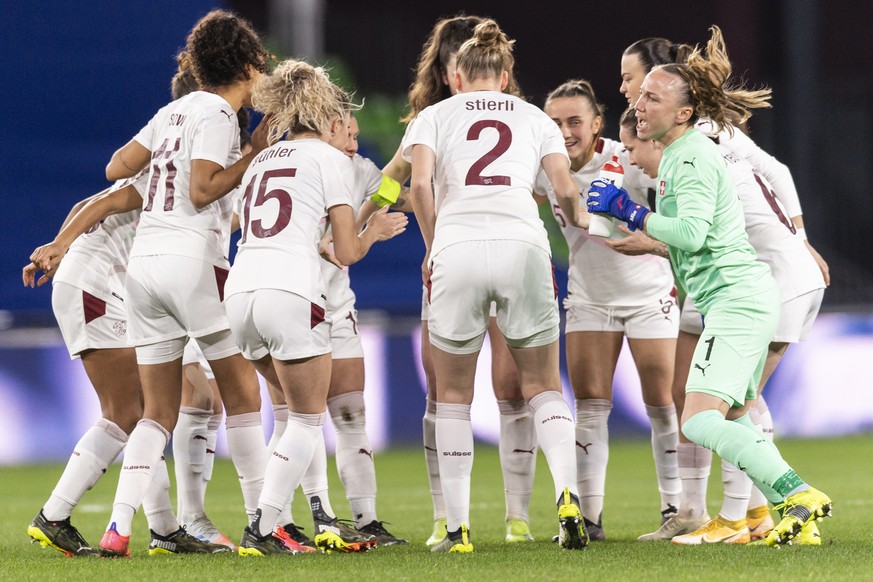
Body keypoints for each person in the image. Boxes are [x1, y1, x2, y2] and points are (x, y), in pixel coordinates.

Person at [587, 26, 832, 548]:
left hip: (738, 303)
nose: (639, 103)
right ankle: (793, 514)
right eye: (641, 92)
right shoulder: (683, 154)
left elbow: (692, 234)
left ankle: (797, 491)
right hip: (742, 297)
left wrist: (631, 212)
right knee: (739, 416)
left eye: (652, 95)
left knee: (699, 421)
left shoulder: (690, 155)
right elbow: (696, 240)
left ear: (681, 113)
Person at [88, 10, 273, 557]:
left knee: (157, 412)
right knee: (243, 392)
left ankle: (120, 527)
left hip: (143, 266)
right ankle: (265, 525)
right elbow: (202, 189)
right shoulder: (219, 110)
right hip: (193, 262)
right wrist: (254, 153)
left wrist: (160, 166)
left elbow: (116, 166)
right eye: (259, 62)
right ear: (244, 63)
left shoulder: (172, 111)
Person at [404, 19, 588, 553]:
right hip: (523, 247)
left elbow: (418, 185)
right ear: (505, 76)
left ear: (457, 74)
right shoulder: (535, 118)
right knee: (543, 387)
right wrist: (578, 218)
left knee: (454, 395)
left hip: (456, 248)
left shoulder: (433, 115)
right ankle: (567, 495)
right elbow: (563, 188)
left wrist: (434, 245)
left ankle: (457, 528)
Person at [226, 59, 406, 556]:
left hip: (241, 293)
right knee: (307, 421)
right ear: (327, 118)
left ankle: (288, 523)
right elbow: (345, 251)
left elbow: (243, 220)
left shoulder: (263, 157)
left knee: (285, 415)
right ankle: (261, 528)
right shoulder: (332, 162)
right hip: (291, 291)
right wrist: (371, 232)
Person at [377, 13, 538, 546]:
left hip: (472, 252)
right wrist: (362, 218)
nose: (456, 74)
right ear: (444, 71)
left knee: (511, 385)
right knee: (441, 390)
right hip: (451, 259)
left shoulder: (506, 116)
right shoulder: (429, 121)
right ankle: (445, 514)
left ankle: (518, 516)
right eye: (450, 64)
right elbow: (393, 181)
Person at [23, 177, 224, 557]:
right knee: (127, 413)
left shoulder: (155, 170)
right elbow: (103, 204)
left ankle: (164, 528)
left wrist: (62, 250)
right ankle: (53, 515)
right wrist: (59, 247)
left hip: (93, 284)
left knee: (143, 414)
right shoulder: (173, 175)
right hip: (97, 287)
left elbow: (84, 204)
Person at [534, 79, 680, 540]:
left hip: (647, 295)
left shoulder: (628, 156)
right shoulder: (544, 167)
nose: (564, 132)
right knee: (591, 407)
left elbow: (673, 199)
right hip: (589, 296)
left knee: (662, 404)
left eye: (574, 121)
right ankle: (589, 519)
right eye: (554, 123)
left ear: (596, 123)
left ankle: (676, 508)